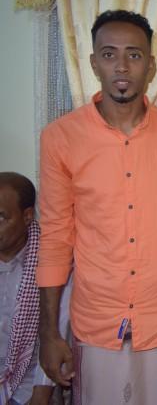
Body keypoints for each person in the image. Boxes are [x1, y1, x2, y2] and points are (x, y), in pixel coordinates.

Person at [37, 10, 157, 404]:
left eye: (134, 55)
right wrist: (49, 332)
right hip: (96, 315)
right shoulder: (60, 137)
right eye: (109, 54)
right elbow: (56, 236)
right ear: (94, 63)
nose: (122, 66)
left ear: (151, 65)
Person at [0, 172, 54, 405]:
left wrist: (41, 393)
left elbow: (54, 334)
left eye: (1, 217)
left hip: (25, 388)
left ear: (27, 216)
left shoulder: (49, 264)